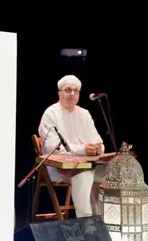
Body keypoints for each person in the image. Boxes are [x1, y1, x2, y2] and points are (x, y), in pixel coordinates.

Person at [38, 75, 107, 218]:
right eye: (68, 90)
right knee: (84, 174)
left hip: (88, 165)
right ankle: (86, 221)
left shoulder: (84, 114)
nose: (72, 94)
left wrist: (98, 149)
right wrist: (83, 150)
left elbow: (98, 141)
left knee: (115, 174)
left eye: (76, 91)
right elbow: (53, 148)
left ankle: (103, 219)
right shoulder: (50, 114)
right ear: (60, 93)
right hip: (59, 168)